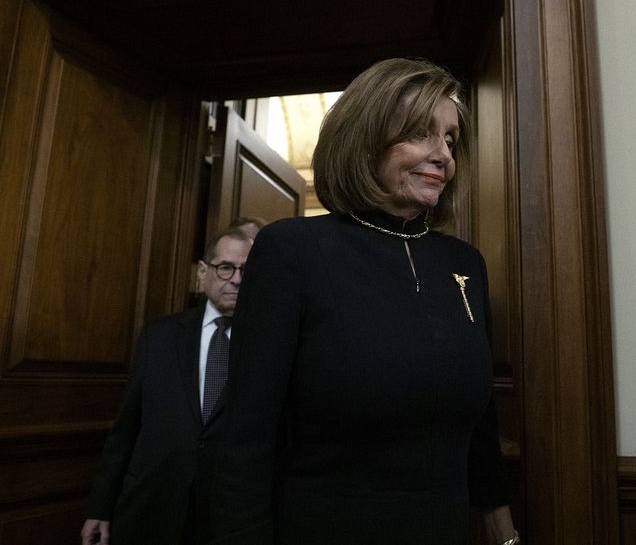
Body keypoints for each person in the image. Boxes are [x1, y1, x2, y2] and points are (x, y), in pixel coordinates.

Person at [210, 58, 518, 544]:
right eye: (422, 134)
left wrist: (505, 535)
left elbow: (481, 429)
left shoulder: (464, 263)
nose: (443, 155)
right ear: (365, 138)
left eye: (451, 139)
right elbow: (246, 435)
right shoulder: (294, 249)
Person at [81, 227, 254, 545]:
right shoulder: (159, 336)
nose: (237, 279)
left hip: (229, 517)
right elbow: (127, 428)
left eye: (247, 269)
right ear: (203, 271)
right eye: (226, 267)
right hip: (152, 508)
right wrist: (101, 507)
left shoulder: (270, 344)